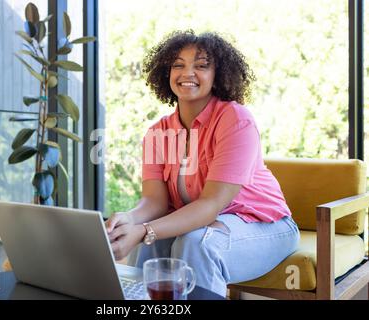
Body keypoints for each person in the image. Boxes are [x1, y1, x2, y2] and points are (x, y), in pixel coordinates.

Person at [105, 30, 300, 298]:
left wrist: (144, 230)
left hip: (265, 226)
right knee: (150, 247)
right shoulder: (157, 132)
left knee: (197, 243)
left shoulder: (236, 120)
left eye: (201, 65)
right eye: (178, 65)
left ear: (217, 75)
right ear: (166, 72)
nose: (187, 73)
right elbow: (154, 202)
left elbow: (210, 205)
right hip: (207, 225)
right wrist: (129, 219)